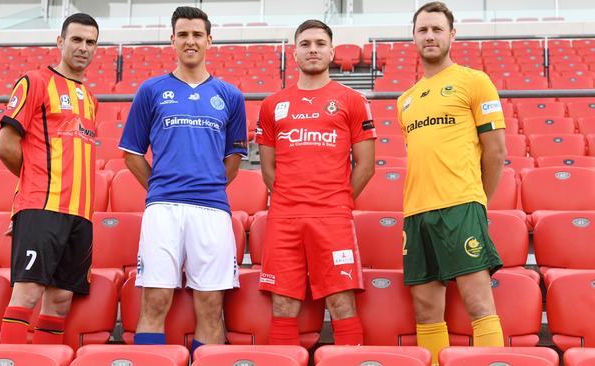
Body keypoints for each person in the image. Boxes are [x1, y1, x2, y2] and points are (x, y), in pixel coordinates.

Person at [118, 6, 247, 355]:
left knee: (210, 305)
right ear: (172, 39)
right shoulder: (151, 90)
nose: (190, 41)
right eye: (183, 35)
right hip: (163, 209)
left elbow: (233, 161)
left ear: (209, 39)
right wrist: (161, 188)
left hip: (212, 211)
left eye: (197, 35)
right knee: (155, 300)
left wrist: (206, 187)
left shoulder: (231, 96)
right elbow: (131, 154)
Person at [397, 2, 507, 364]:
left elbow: (495, 152)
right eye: (423, 30)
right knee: (426, 310)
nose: (430, 36)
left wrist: (477, 201)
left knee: (478, 303)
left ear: (451, 35)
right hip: (416, 212)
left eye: (437, 29)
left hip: (460, 206)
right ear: (414, 37)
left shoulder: (475, 81)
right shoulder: (405, 100)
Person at [256, 19, 376, 346]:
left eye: (320, 43)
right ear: (293, 52)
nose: (313, 49)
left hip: (333, 217)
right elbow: (268, 169)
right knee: (283, 304)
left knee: (340, 301)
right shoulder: (272, 105)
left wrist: (338, 201)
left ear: (332, 51)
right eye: (306, 44)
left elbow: (366, 165)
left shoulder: (351, 100)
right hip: (284, 217)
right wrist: (290, 200)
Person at [0, 13, 99, 344]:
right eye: (76, 40)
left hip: (80, 214)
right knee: (27, 293)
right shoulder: (35, 81)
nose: (83, 48)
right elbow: (6, 147)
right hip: (43, 207)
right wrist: (32, 187)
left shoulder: (92, 99)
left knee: (60, 301)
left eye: (91, 42)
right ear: (60, 41)